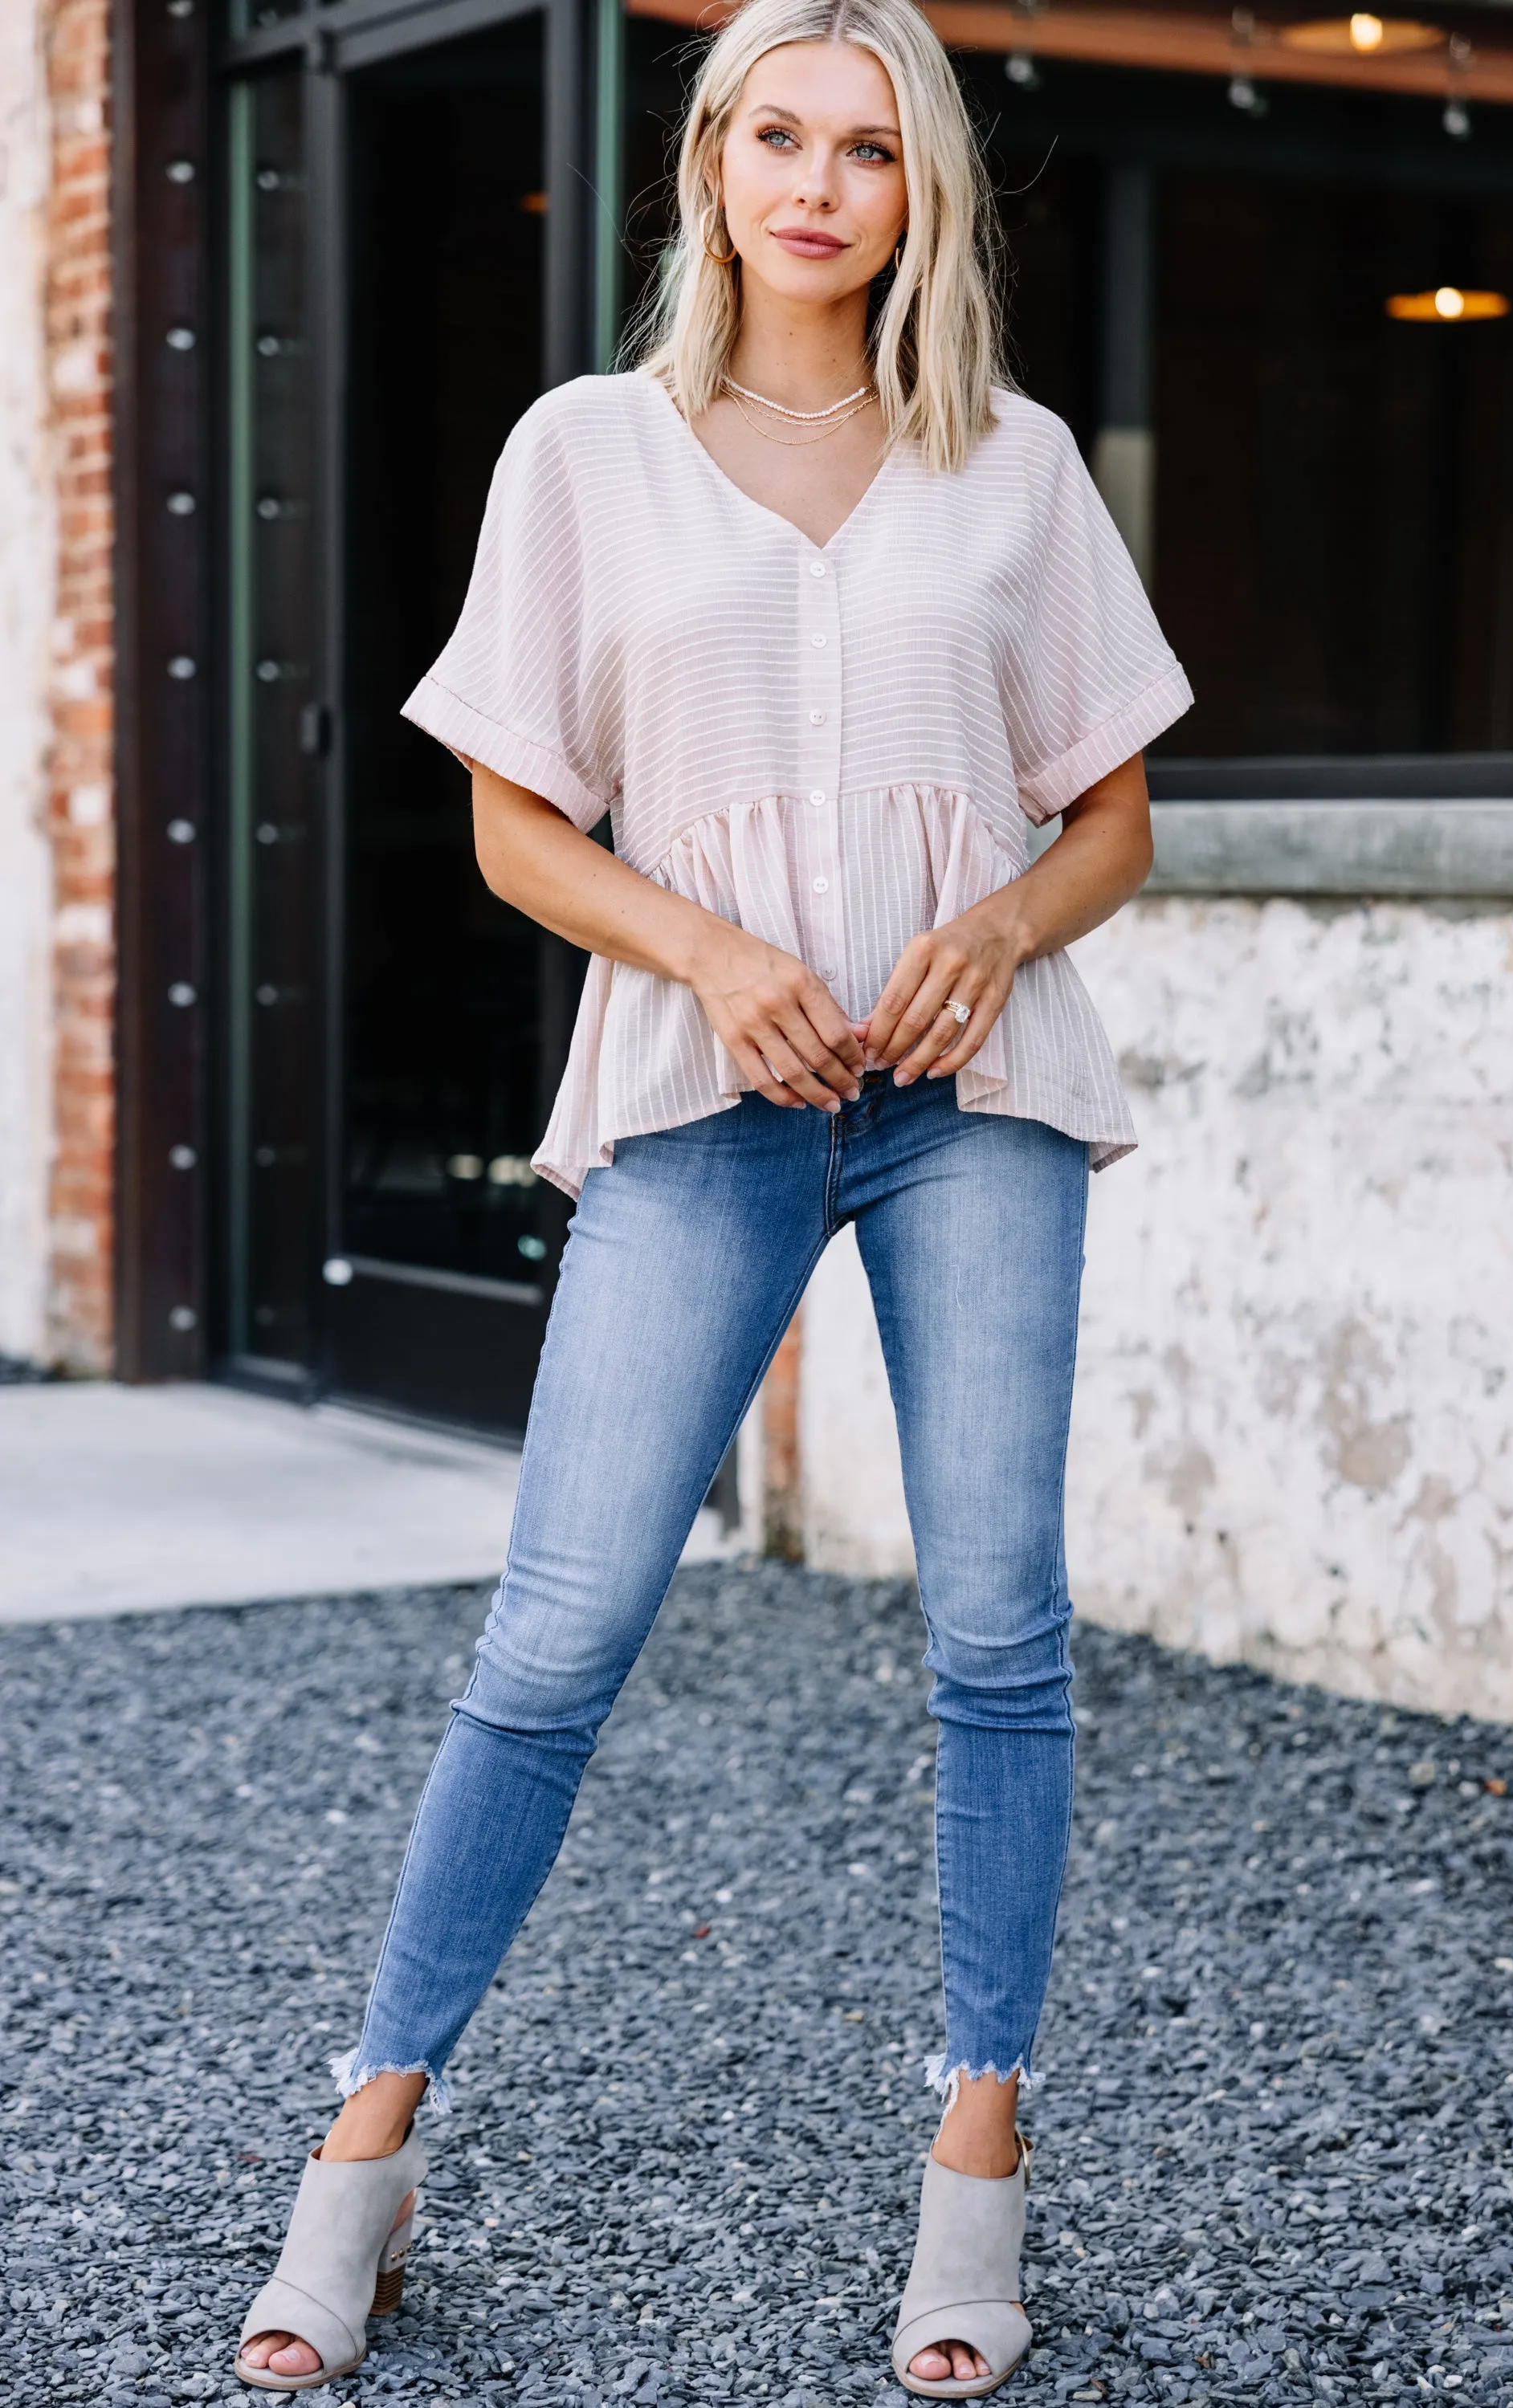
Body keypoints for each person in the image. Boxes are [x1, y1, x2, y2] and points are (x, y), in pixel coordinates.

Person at [234, 0, 1190, 2391]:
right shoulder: (592, 455)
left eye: (871, 148)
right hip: (701, 1085)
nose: (820, 182)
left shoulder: (1015, 466)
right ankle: (364, 2148)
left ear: (922, 192)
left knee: (996, 1629)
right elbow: (511, 813)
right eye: (780, 133)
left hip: (977, 1100)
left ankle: (977, 2164)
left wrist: (993, 929)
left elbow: (1114, 818)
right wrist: (719, 951)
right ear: (709, 161)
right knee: (552, 1640)